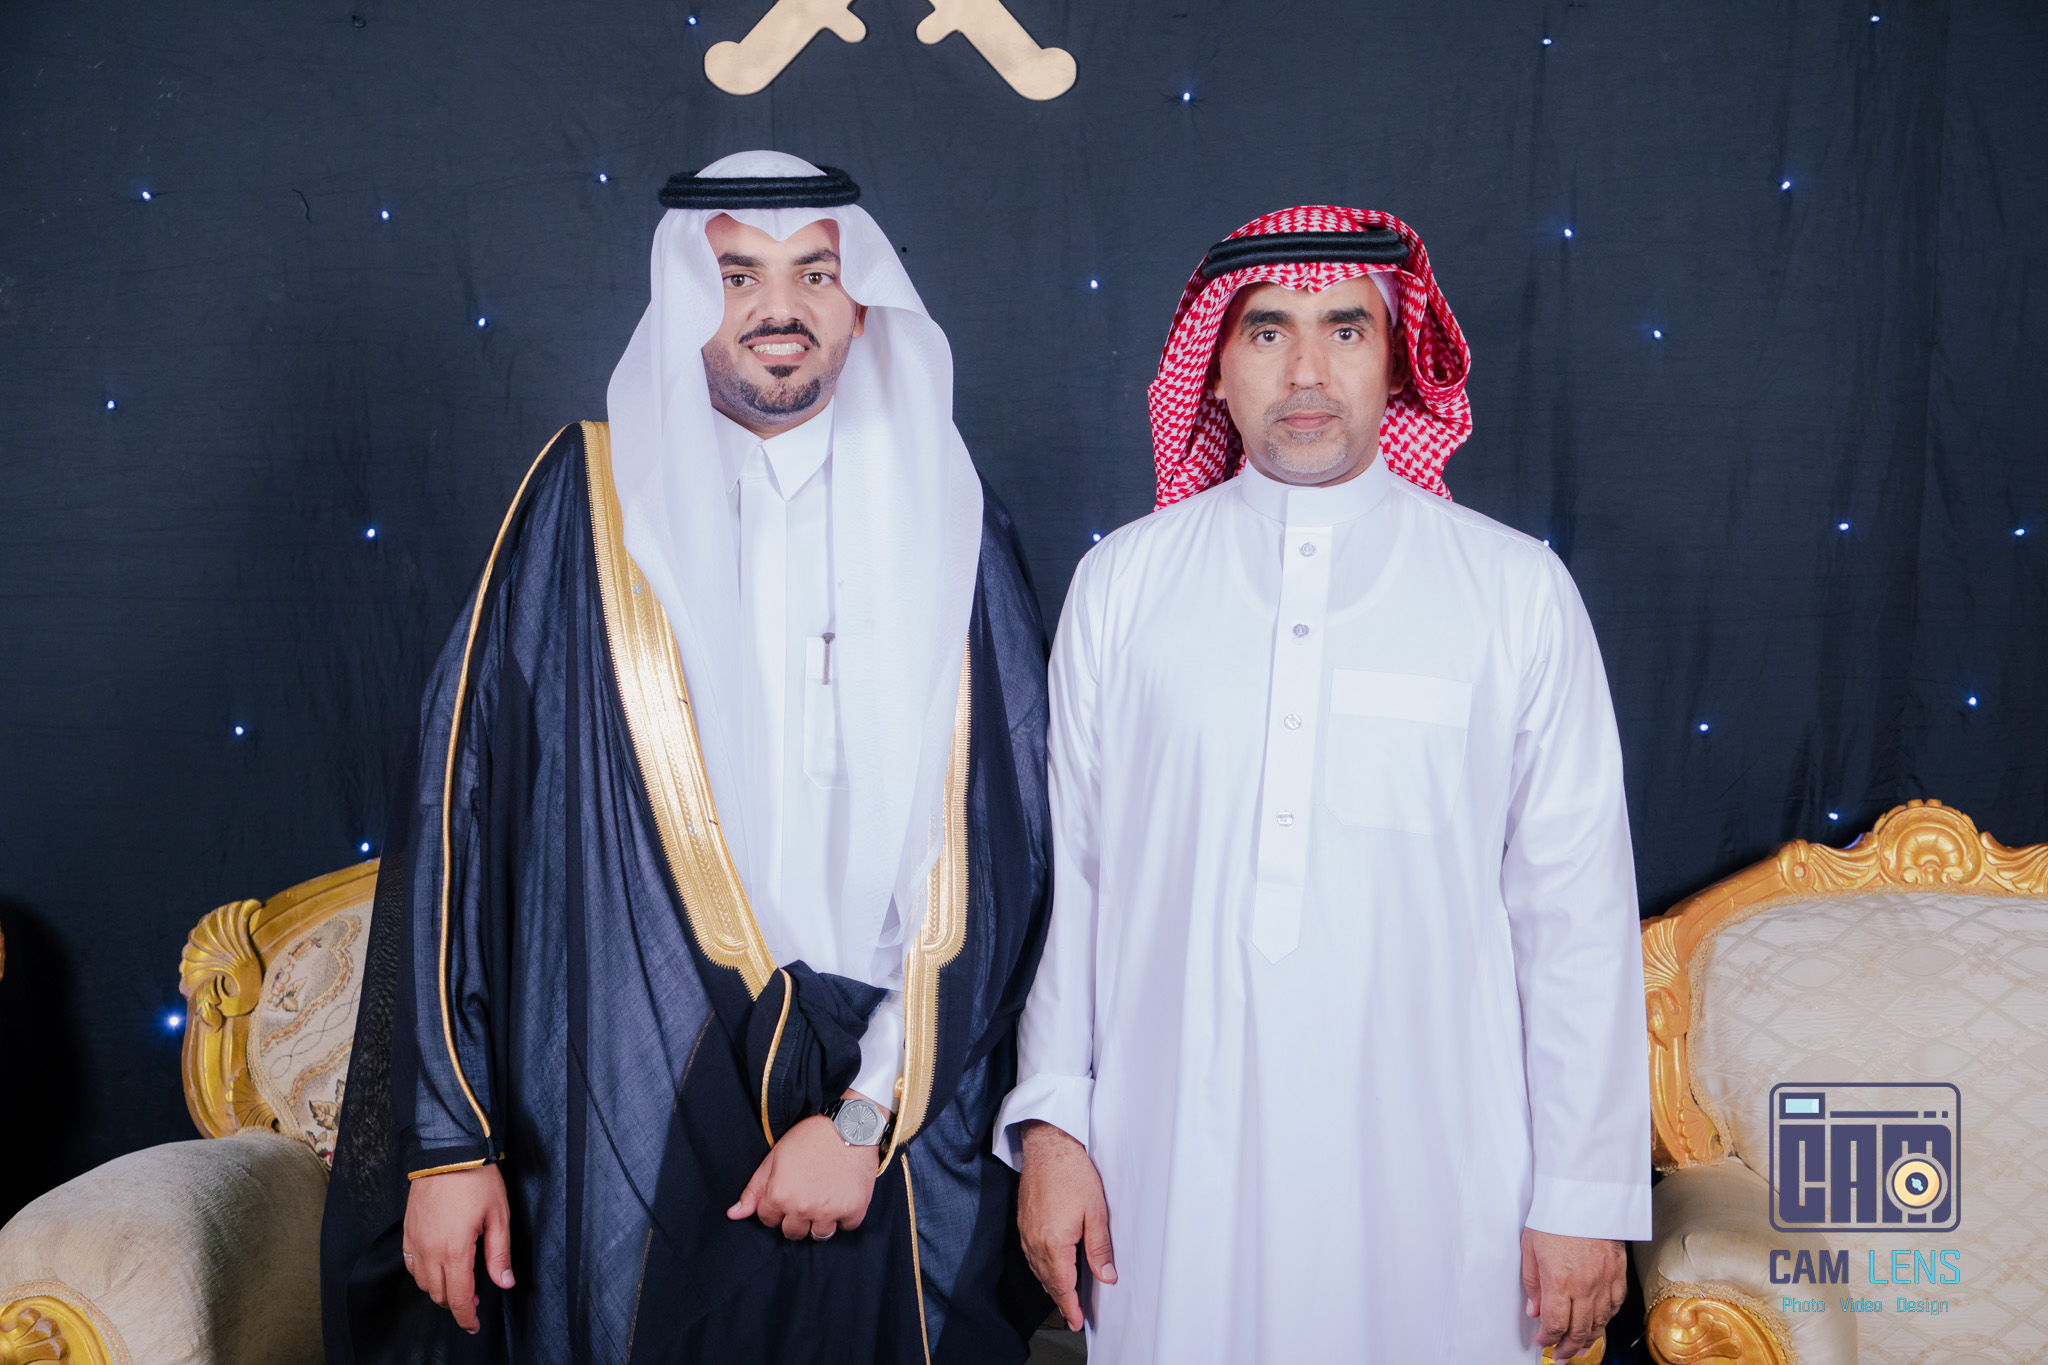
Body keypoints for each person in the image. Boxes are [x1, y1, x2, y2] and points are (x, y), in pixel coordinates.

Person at [321, 151, 1054, 1364]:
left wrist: (866, 1112)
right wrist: (450, 1143)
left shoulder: (954, 521)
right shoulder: (583, 506)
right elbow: (461, 814)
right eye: (736, 275)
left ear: (862, 300)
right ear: (680, 296)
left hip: (894, 1118)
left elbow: (1005, 844)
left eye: (814, 272)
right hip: (638, 1086)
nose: (779, 307)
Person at [1000, 206, 1650, 1362]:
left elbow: (1574, 919)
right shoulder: (1123, 586)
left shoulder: (1512, 593)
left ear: (1396, 358)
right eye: (1266, 332)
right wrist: (1052, 1126)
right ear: (1214, 366)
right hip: (1172, 1168)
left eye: (1344, 329)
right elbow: (1076, 887)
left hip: (1444, 1179)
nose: (1305, 371)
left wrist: (1583, 1192)